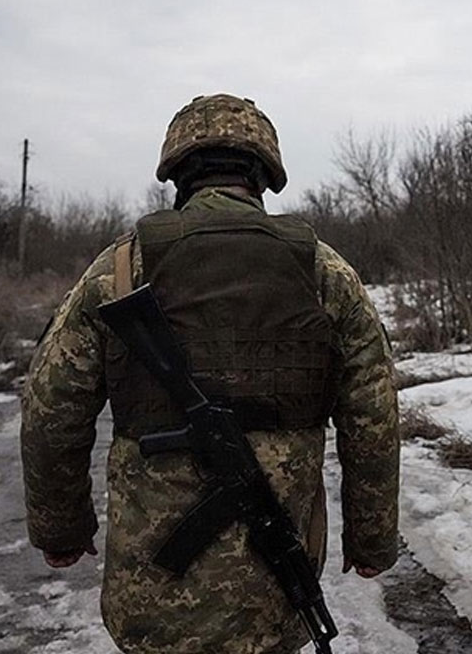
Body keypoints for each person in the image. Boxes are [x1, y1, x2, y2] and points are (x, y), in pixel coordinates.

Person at [20, 93, 400, 654]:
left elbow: (52, 408)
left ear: (177, 174)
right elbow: (374, 417)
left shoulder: (120, 269)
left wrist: (61, 531)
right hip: (273, 595)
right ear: (264, 175)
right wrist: (371, 540)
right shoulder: (324, 272)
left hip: (150, 596)